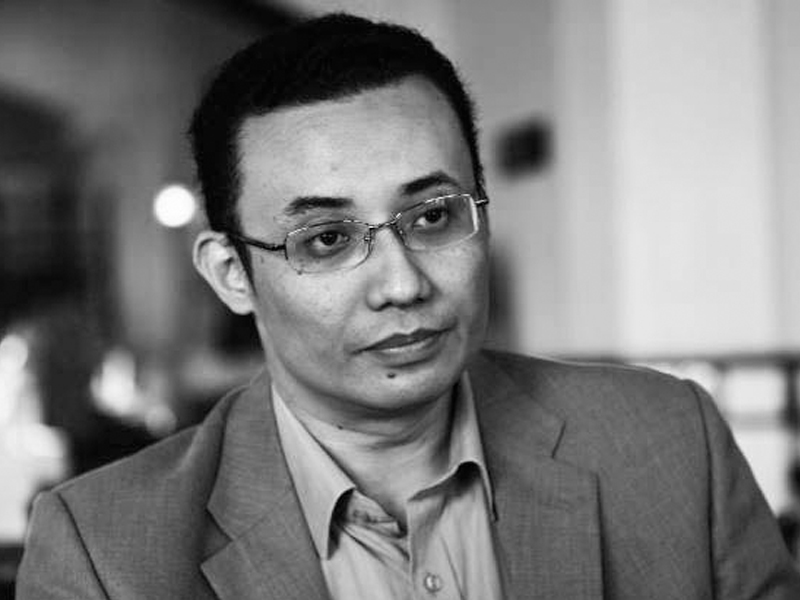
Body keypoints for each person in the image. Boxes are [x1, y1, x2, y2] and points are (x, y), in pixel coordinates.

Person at [16, 13, 800, 600]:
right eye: (327, 239)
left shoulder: (670, 446)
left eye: (431, 217)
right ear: (231, 274)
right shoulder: (103, 554)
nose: (402, 283)